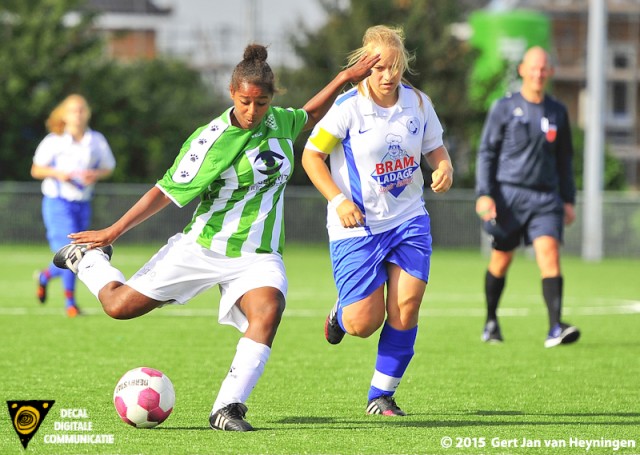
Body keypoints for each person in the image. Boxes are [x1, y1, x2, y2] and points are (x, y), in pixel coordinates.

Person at [52, 44, 379, 431]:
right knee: (118, 307)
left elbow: (308, 115)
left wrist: (344, 79)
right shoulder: (210, 140)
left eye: (261, 103)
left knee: (269, 309)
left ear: (272, 99)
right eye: (245, 102)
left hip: (259, 254)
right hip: (204, 247)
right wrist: (112, 231)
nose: (252, 111)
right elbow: (165, 192)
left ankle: (227, 408)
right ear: (231, 94)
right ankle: (86, 260)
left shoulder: (279, 122)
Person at [301, 25, 454, 417]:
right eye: (380, 67)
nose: (388, 76)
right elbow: (310, 156)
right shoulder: (348, 107)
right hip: (358, 228)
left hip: (408, 220)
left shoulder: (419, 104)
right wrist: (337, 200)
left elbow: (435, 148)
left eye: (395, 67)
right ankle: (341, 311)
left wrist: (444, 167)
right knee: (362, 324)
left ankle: (381, 395)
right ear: (366, 66)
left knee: (407, 303)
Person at [475, 46, 580, 348]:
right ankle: (491, 321)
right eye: (533, 67)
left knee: (549, 255)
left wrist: (568, 199)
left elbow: (565, 159)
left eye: (543, 68)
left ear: (551, 72)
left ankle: (555, 328)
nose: (538, 73)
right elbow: (487, 153)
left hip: (546, 199)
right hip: (508, 196)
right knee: (501, 260)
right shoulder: (503, 108)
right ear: (522, 70)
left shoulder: (558, 111)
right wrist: (485, 194)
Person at [31, 94, 116, 317]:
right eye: (73, 110)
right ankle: (71, 304)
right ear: (64, 115)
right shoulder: (54, 140)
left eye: (81, 110)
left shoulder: (95, 140)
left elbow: (109, 167)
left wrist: (94, 175)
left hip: (82, 205)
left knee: (78, 253)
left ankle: (45, 277)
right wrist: (59, 174)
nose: (78, 114)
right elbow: (36, 169)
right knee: (72, 253)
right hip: (57, 204)